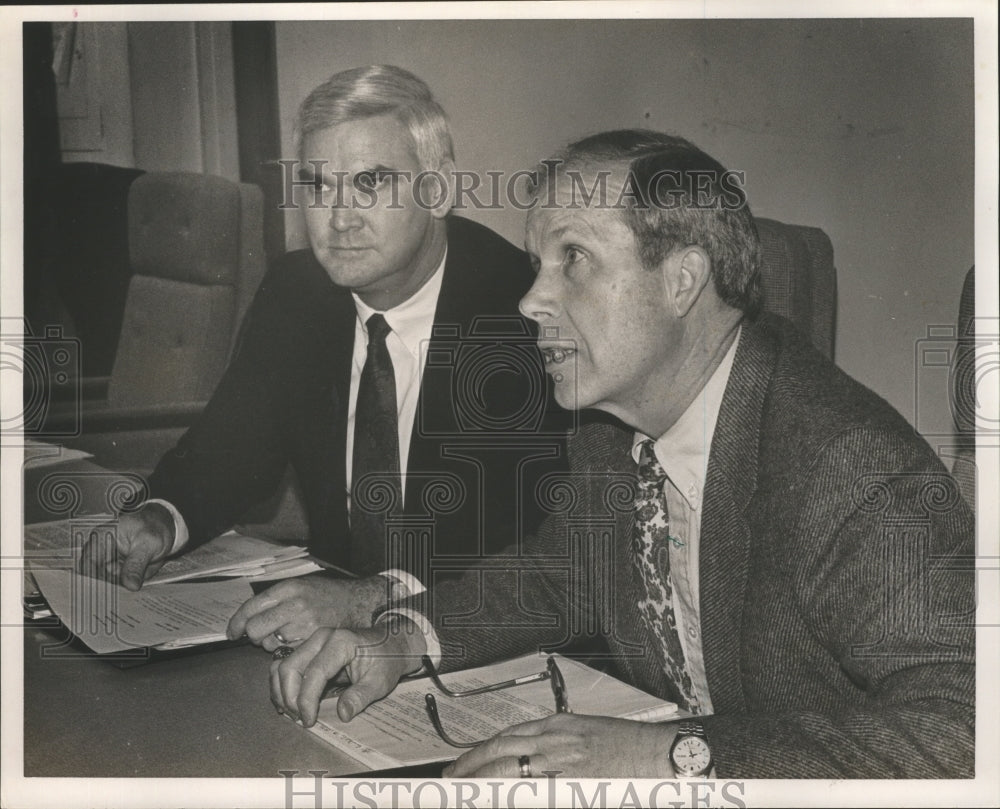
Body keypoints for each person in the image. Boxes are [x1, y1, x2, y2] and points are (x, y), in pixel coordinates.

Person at [266, 129, 975, 779]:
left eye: (572, 258)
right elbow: (556, 574)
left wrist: (663, 753)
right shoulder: (612, 430)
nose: (531, 301)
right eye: (537, 265)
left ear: (682, 280)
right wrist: (402, 638)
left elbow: (966, 729)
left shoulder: (848, 466)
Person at [78, 65, 567, 651]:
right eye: (316, 186)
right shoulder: (296, 292)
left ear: (437, 190)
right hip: (326, 645)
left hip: (482, 648)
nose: (338, 219)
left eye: (369, 183)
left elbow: (529, 539)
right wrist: (161, 515)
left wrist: (369, 600)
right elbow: (231, 448)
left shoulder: (520, 310)